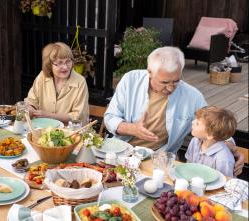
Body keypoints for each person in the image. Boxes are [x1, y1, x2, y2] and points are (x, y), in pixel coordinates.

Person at [104, 46, 244, 176]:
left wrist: (232, 149)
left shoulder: (192, 96)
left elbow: (213, 124)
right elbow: (110, 117)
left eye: (176, 81)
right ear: (150, 73)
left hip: (160, 160)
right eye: (164, 82)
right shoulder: (131, 80)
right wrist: (133, 129)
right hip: (122, 152)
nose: (171, 88)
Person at [25, 42, 89, 124]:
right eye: (59, 63)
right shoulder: (42, 77)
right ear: (49, 65)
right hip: (43, 128)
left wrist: (49, 115)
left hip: (71, 132)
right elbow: (31, 102)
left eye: (68, 61)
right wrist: (30, 109)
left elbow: (78, 116)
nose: (65, 67)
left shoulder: (80, 82)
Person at [185, 106, 237, 177]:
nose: (192, 122)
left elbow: (225, 183)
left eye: (197, 123)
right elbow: (188, 166)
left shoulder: (223, 159)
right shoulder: (195, 141)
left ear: (209, 135)